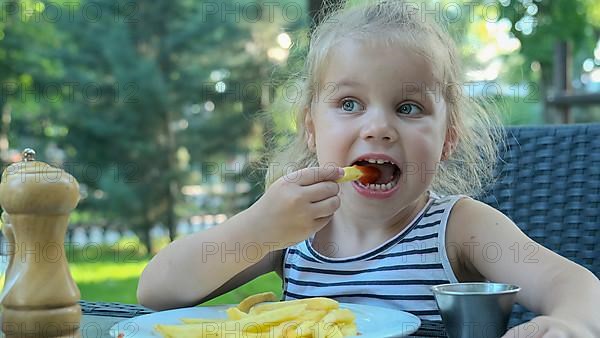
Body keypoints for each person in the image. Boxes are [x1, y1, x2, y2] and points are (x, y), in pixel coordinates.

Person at [137, 1, 600, 336]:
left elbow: (572, 282)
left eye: (409, 106)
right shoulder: (291, 229)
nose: (378, 127)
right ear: (312, 127)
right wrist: (258, 228)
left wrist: (570, 321)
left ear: (448, 137)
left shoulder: (460, 228)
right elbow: (157, 291)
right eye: (350, 103)